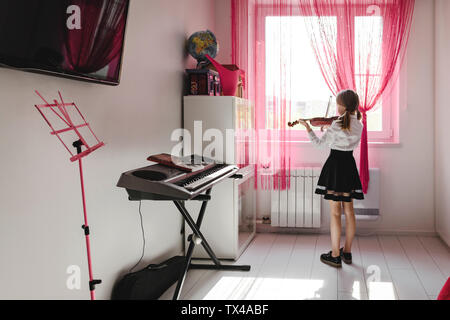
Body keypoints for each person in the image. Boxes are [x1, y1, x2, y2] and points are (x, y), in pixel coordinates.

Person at [296, 89, 364, 268]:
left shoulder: (337, 124)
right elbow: (346, 133)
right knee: (349, 212)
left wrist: (308, 128)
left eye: (337, 104)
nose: (336, 106)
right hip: (349, 166)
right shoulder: (359, 124)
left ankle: (334, 255)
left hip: (335, 166)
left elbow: (319, 145)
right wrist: (331, 128)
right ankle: (347, 252)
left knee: (335, 213)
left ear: (342, 106)